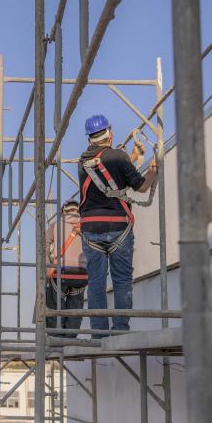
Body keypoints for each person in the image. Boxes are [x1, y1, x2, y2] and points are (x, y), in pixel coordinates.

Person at [77, 114, 157, 336]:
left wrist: (130, 156)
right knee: (121, 280)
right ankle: (120, 330)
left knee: (96, 283)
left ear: (89, 139)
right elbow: (140, 187)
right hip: (118, 227)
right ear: (110, 133)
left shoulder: (83, 163)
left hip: (91, 228)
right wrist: (152, 171)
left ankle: (99, 334)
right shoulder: (119, 157)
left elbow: (107, 170)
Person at [44, 200, 88, 337]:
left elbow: (43, 246)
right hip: (81, 274)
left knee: (55, 305)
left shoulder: (55, 225)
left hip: (61, 272)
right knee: (75, 308)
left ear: (63, 211)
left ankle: (56, 338)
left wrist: (48, 266)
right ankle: (70, 338)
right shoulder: (87, 225)